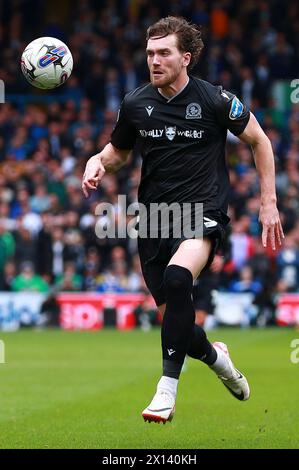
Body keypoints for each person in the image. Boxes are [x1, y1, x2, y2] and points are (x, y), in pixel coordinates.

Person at [82, 16, 284, 424]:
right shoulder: (136, 103)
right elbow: (119, 153)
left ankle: (166, 390)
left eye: (163, 53)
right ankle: (218, 359)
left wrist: (269, 201)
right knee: (181, 325)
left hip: (201, 213)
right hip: (153, 220)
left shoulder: (214, 100)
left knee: (179, 280)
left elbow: (259, 141)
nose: (154, 61)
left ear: (185, 58)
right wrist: (97, 160)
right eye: (150, 53)